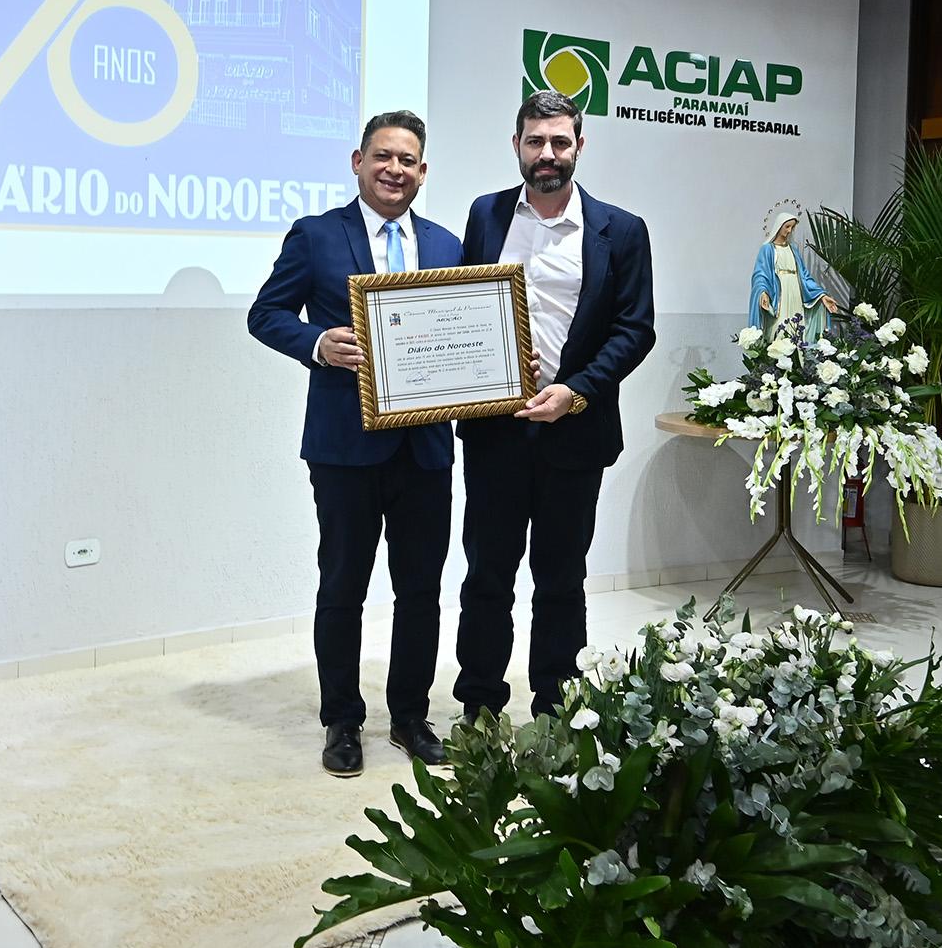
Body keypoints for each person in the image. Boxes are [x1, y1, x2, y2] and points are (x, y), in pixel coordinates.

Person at [248, 111, 461, 778]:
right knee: (342, 587)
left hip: (426, 448)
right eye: (383, 156)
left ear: (423, 171)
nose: (395, 169)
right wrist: (316, 343)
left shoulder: (448, 244)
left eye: (408, 160)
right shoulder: (316, 235)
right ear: (358, 162)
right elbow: (265, 314)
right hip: (344, 447)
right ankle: (342, 719)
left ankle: (410, 715)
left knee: (421, 591)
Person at [453, 89, 656, 722]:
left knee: (562, 578)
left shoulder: (621, 230)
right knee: (487, 574)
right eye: (535, 141)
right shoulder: (486, 215)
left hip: (575, 432)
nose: (547, 153)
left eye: (559, 141)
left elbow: (635, 329)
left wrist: (576, 391)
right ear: (516, 145)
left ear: (579, 146)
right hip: (495, 431)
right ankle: (479, 701)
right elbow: (465, 306)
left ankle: (556, 706)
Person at [750, 208, 838, 342]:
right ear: (779, 226)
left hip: (795, 291)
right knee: (779, 328)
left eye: (792, 227)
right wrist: (763, 293)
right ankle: (776, 354)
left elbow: (804, 276)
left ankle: (797, 354)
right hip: (779, 293)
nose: (789, 230)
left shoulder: (793, 249)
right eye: (787, 226)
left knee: (796, 326)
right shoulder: (767, 249)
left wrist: (822, 296)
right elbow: (760, 274)